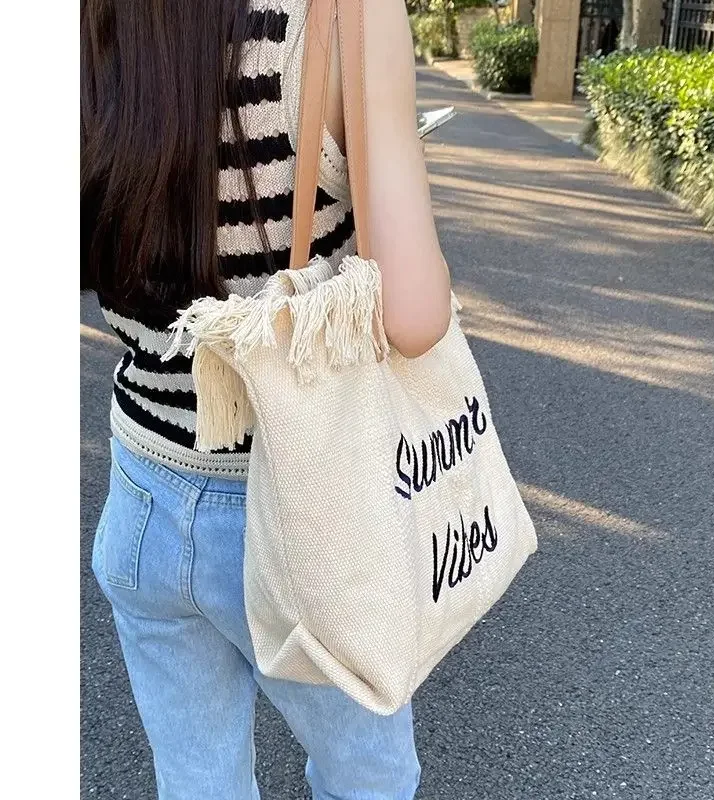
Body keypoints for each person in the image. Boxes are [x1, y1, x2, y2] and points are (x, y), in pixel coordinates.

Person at [80, 0, 452, 797]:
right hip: (304, 510)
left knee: (197, 781)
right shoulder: (341, 16)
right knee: (369, 780)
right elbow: (415, 317)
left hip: (142, 491)